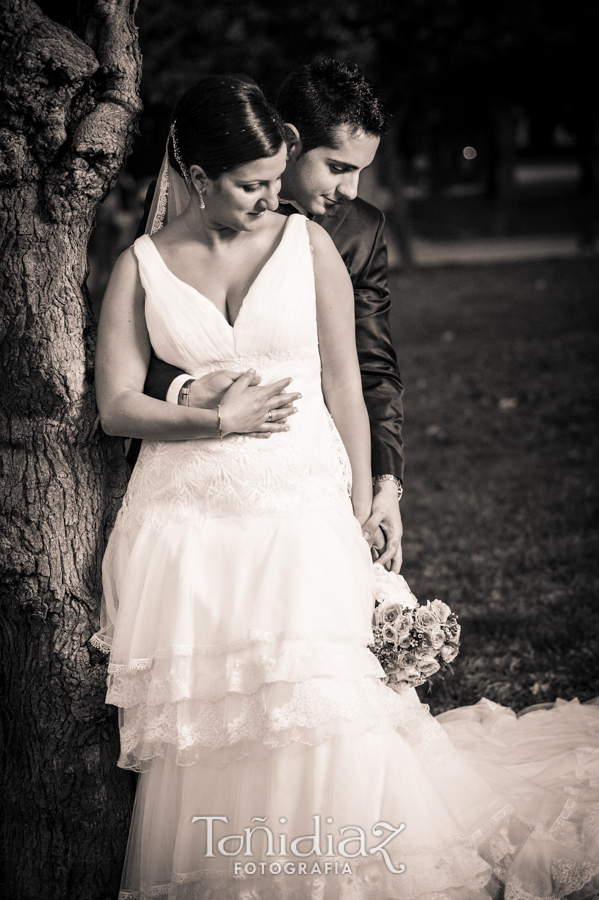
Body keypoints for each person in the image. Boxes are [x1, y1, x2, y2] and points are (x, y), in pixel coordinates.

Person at [92, 75, 599, 900]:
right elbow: (117, 405)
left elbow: (347, 385)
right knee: (215, 719)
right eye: (248, 185)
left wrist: (363, 503)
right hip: (185, 519)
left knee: (317, 698)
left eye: (273, 180)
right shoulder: (141, 265)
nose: (268, 201)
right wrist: (208, 415)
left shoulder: (310, 244)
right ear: (191, 171)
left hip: (298, 500)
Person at [135, 59, 404, 573]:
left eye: (361, 172)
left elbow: (371, 368)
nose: (351, 191)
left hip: (307, 475)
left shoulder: (358, 230)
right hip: (194, 467)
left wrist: (382, 487)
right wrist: (186, 391)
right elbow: (152, 325)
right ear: (292, 141)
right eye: (340, 168)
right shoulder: (196, 200)